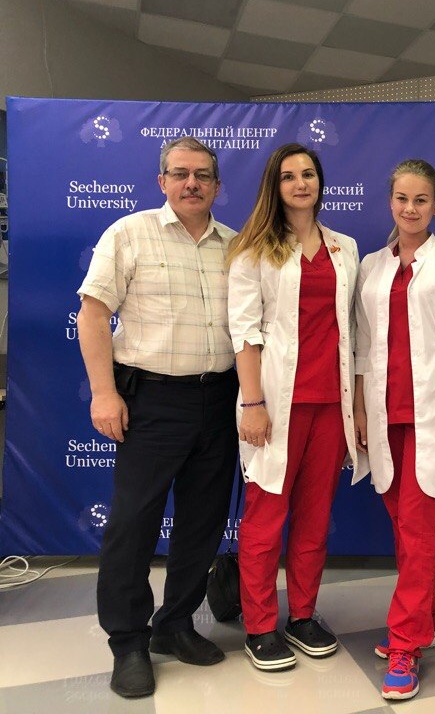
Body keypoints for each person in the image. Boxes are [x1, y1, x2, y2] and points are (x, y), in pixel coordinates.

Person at [76, 137, 238, 698]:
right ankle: (128, 642)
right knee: (134, 524)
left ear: (217, 185)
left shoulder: (236, 246)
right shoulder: (129, 233)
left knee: (202, 521)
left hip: (220, 399)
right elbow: (93, 315)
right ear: (162, 181)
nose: (192, 183)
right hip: (151, 401)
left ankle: (175, 624)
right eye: (180, 173)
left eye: (203, 175)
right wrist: (104, 394)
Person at [227, 144, 364, 672]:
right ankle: (260, 624)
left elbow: (353, 332)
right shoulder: (252, 249)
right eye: (289, 176)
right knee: (265, 519)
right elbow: (245, 333)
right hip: (275, 405)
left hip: (331, 405)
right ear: (275, 185)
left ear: (320, 182)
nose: (300, 183)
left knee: (314, 517)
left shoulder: (344, 247)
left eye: (308, 174)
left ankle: (302, 615)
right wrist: (253, 403)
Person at [353, 159, 435, 701]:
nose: (410, 208)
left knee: (419, 528)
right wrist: (359, 410)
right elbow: (361, 346)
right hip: (384, 415)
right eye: (402, 198)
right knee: (403, 524)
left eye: (421, 199)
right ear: (391, 202)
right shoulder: (371, 266)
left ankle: (406, 642)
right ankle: (429, 610)